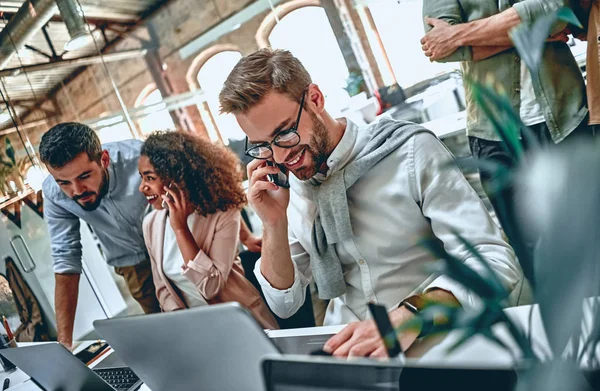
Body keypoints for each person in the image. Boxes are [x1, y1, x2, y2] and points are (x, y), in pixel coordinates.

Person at [219, 49, 521, 357]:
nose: (281, 156)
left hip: (435, 335)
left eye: (285, 133)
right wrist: (273, 224)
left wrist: (408, 317)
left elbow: (493, 259)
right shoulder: (286, 187)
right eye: (263, 145)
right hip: (349, 351)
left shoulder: (410, 151)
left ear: (315, 99)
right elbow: (286, 303)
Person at [39, 122, 262, 349]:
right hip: (132, 260)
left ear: (104, 160)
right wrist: (64, 342)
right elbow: (66, 258)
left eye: (85, 176)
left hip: (179, 238)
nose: (76, 190)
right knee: (169, 331)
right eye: (63, 182)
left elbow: (207, 189)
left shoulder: (140, 157)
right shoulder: (54, 194)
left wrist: (245, 237)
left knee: (218, 297)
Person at [420, 0, 592, 266]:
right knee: (532, 254)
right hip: (492, 134)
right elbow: (440, 48)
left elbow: (557, 11)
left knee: (590, 237)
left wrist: (458, 34)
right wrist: (536, 32)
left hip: (565, 115)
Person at [139, 131, 278, 330]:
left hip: (241, 325)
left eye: (149, 178)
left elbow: (210, 286)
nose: (142, 188)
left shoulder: (223, 214)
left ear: (176, 177)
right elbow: (162, 289)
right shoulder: (151, 223)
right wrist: (186, 328)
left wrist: (180, 229)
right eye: (141, 177)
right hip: (196, 331)